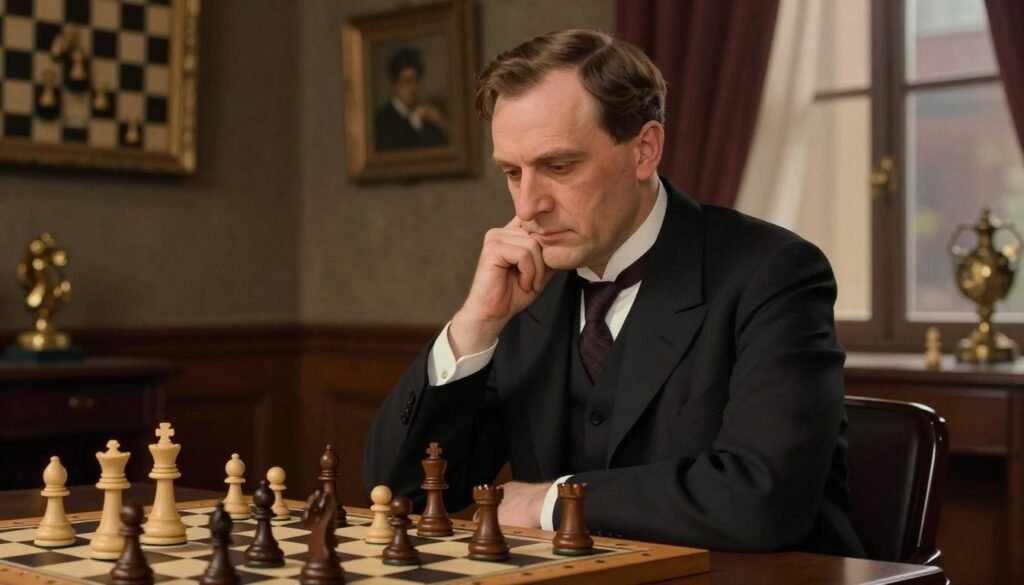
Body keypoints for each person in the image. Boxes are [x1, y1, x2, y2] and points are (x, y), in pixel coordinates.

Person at [363, 29, 865, 557]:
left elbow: (764, 498)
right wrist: (475, 325)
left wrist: (552, 502)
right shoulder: (526, 293)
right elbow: (399, 493)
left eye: (558, 167)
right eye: (513, 172)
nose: (529, 204)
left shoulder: (775, 272)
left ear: (644, 150)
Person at [374, 46, 448, 151]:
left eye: (416, 81)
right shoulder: (381, 121)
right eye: (407, 81)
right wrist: (414, 123)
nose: (413, 88)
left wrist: (440, 122)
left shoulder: (427, 115)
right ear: (395, 84)